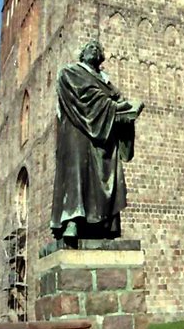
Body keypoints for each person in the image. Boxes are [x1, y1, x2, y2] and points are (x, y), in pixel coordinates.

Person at [50, 39, 144, 244]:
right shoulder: (70, 73)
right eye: (89, 47)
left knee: (106, 177)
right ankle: (72, 221)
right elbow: (84, 99)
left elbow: (115, 103)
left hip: (105, 141)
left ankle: (106, 224)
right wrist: (117, 107)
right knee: (77, 174)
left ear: (101, 57)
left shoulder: (107, 82)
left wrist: (126, 114)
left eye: (97, 48)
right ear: (82, 55)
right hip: (78, 134)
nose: (94, 49)